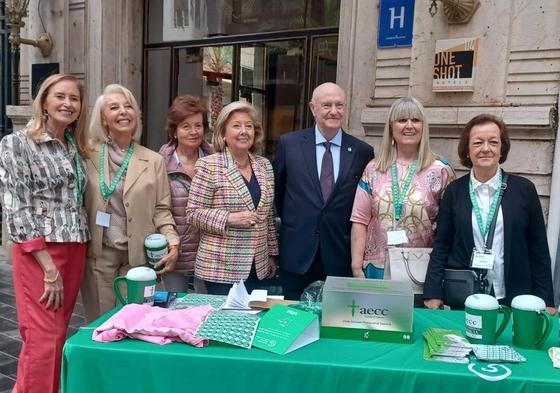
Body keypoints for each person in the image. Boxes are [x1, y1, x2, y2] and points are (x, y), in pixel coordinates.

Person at [0, 73, 89, 393]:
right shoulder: (17, 143)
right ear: (45, 102)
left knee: (57, 334)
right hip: (39, 251)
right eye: (60, 96)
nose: (68, 103)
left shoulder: (73, 146)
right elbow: (16, 206)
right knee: (43, 338)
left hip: (75, 245)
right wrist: (48, 266)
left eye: (74, 98)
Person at [423, 114, 556, 314]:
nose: (486, 148)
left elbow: (538, 249)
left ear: (502, 148)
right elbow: (442, 245)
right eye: (477, 143)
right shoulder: (454, 192)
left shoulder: (524, 190)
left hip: (515, 298)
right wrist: (433, 292)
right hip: (467, 297)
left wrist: (546, 300)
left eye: (493, 142)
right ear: (467, 150)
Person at [81, 84, 180, 322]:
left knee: (133, 323)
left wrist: (173, 243)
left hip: (138, 258)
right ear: (104, 118)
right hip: (99, 255)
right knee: (99, 323)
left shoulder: (153, 160)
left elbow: (161, 209)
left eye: (129, 107)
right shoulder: (86, 153)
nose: (123, 112)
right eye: (114, 107)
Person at [273, 82, 374, 300]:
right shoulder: (289, 144)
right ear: (313, 108)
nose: (334, 111)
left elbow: (363, 205)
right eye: (327, 105)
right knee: (293, 321)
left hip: (340, 256)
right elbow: (279, 193)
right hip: (297, 255)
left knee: (336, 323)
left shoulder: (362, 151)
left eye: (340, 105)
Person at [350, 97, 454, 280]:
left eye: (415, 120)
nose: (409, 126)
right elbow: (360, 220)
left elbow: (449, 228)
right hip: (376, 267)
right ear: (391, 127)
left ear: (424, 126)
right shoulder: (373, 169)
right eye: (401, 120)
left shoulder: (441, 170)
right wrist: (356, 266)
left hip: (420, 269)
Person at [186, 101, 278, 295]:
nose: (244, 131)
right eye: (236, 126)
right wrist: (229, 218)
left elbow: (267, 216)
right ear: (223, 134)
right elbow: (193, 214)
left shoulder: (265, 166)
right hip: (221, 268)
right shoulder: (208, 165)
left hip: (258, 266)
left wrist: (271, 255)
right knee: (225, 324)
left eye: (249, 126)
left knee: (256, 321)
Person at [159, 95, 213, 292]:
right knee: (176, 308)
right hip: (176, 251)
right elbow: (158, 210)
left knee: (208, 308)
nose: (193, 132)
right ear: (174, 130)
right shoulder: (160, 163)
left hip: (210, 253)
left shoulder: (216, 160)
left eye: (198, 125)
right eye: (185, 126)